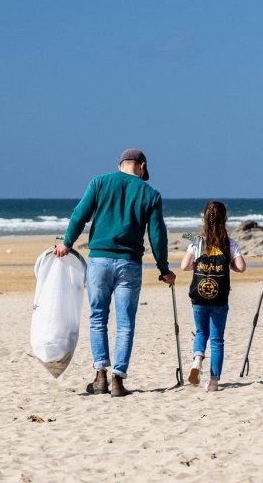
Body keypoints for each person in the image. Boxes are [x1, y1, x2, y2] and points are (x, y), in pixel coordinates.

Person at [54, 148, 175, 397]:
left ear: (120, 164)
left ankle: (100, 376)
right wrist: (164, 269)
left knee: (98, 317)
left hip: (98, 259)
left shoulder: (100, 182)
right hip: (129, 263)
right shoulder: (150, 193)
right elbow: (157, 236)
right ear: (142, 166)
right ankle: (118, 379)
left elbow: (80, 215)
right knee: (125, 323)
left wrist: (67, 243)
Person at [180, 201, 246, 392]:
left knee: (201, 332)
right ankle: (214, 382)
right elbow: (241, 267)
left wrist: (197, 266)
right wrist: (230, 265)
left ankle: (197, 360)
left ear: (204, 219)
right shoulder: (229, 243)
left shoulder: (197, 241)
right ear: (225, 219)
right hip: (219, 299)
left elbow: (184, 266)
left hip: (199, 297)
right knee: (217, 339)